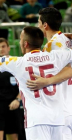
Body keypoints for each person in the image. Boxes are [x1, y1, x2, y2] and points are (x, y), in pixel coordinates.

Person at [0, 25, 72, 140]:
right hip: (58, 118)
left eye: (21, 40)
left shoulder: (18, 62)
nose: (19, 43)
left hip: (36, 121)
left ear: (26, 44)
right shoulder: (56, 56)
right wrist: (66, 38)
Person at [24, 7, 72, 140]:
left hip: (64, 108)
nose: (37, 25)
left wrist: (47, 81)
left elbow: (70, 70)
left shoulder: (53, 45)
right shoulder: (65, 40)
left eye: (38, 22)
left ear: (45, 25)